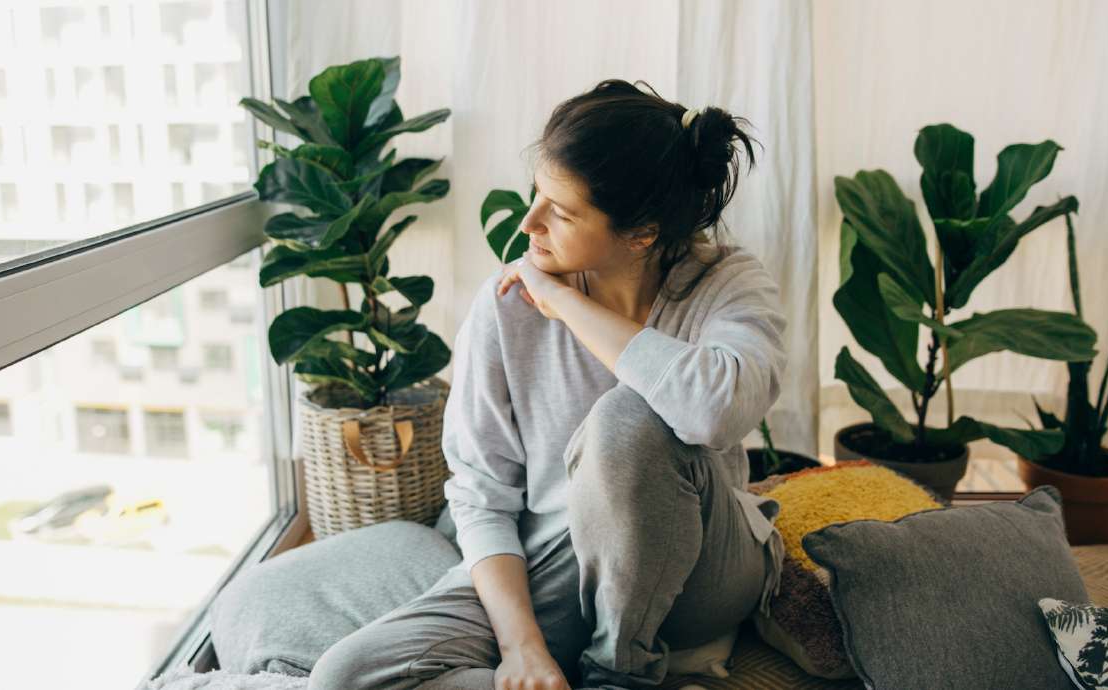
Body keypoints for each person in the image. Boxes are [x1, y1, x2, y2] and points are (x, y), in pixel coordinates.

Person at [308, 79, 789, 690]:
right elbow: (482, 496)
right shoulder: (506, 307)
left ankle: (620, 672)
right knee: (344, 678)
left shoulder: (725, 284)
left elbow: (715, 410)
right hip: (560, 564)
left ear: (641, 233)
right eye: (537, 196)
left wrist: (566, 303)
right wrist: (523, 649)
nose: (530, 224)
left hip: (703, 569)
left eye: (560, 212)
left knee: (627, 420)